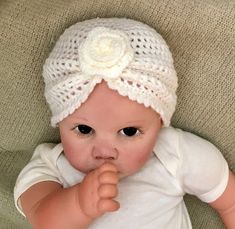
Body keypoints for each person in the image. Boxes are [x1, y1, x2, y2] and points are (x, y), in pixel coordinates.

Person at [14, 18, 235, 229]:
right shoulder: (51, 166)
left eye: (129, 131)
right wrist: (78, 204)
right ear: (59, 120)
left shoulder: (174, 153)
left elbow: (230, 202)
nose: (104, 152)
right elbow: (42, 218)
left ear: (159, 123)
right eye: (84, 129)